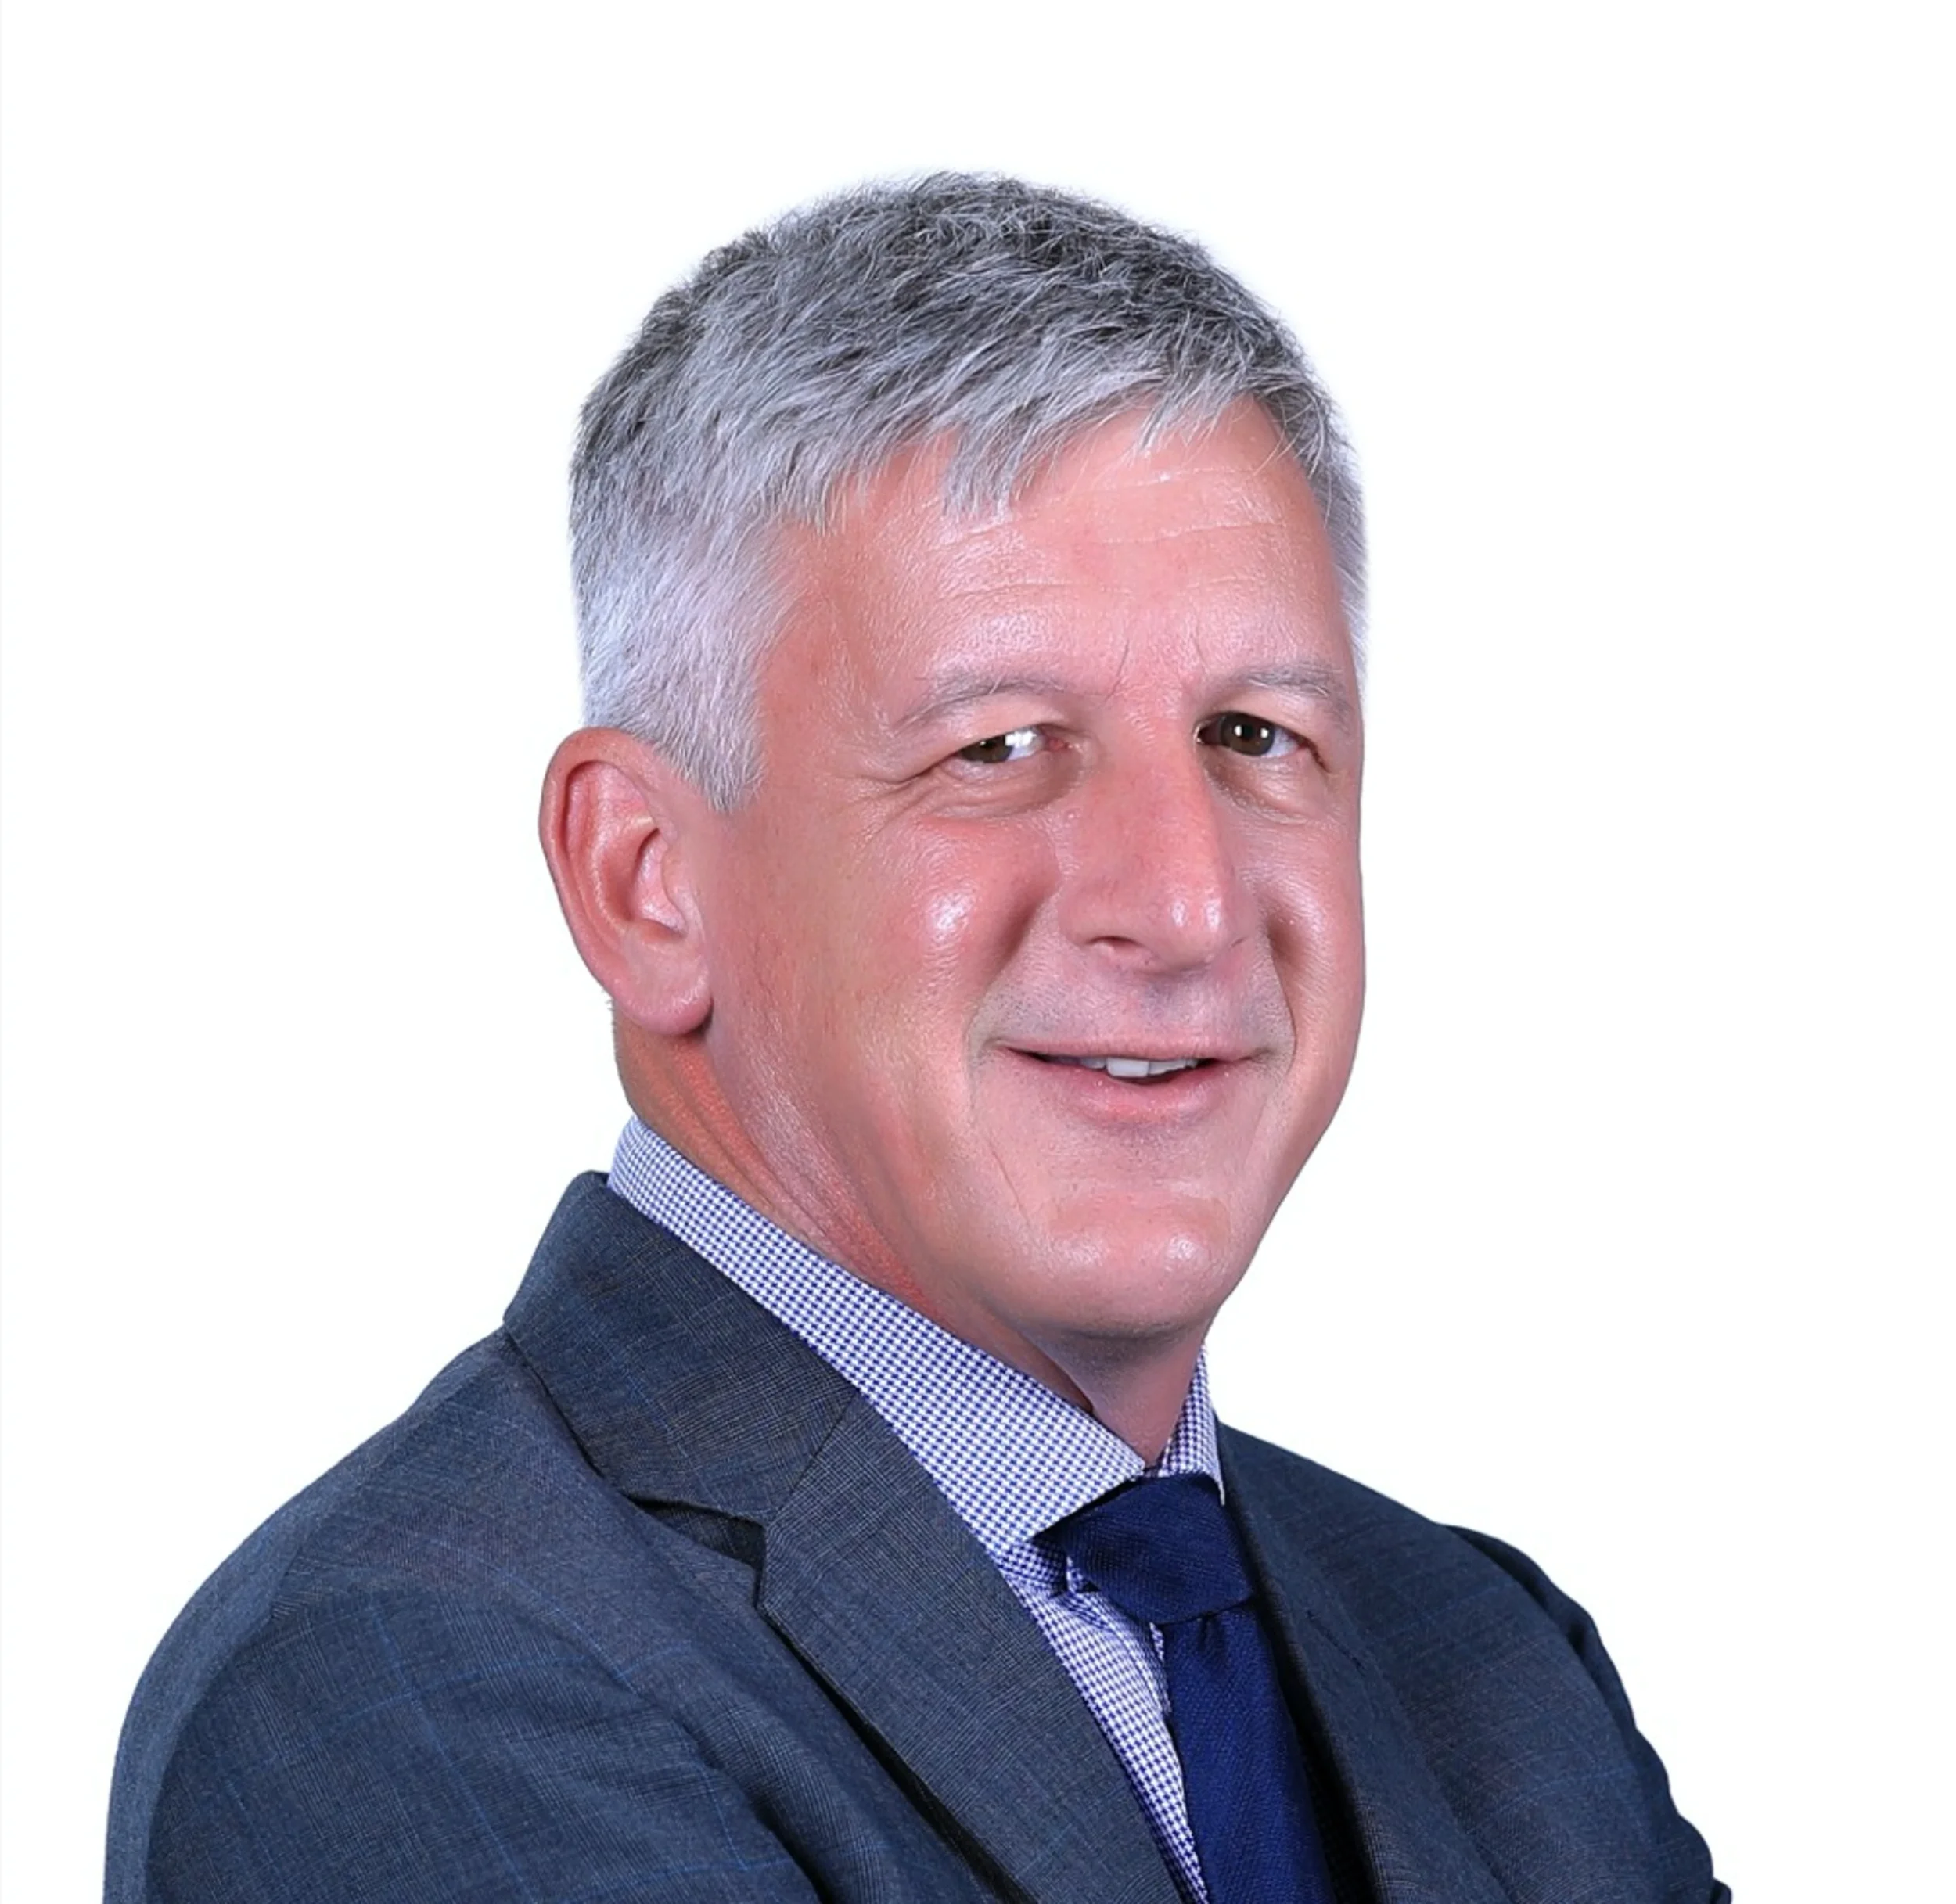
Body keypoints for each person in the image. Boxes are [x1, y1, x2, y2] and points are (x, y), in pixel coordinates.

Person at [107, 176, 1726, 1904]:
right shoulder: (408, 1685)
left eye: (1252, 734)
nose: (1186, 903)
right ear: (645, 882)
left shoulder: (1485, 1656)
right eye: (998, 748)